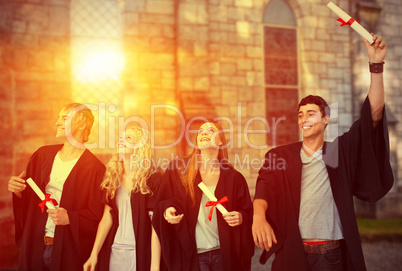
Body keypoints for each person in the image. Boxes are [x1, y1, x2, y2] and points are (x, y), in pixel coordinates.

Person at [252, 34, 394, 271]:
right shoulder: (281, 156)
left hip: (330, 256)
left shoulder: (339, 151)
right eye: (300, 114)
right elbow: (264, 186)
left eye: (311, 113)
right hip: (293, 255)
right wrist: (258, 216)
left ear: (326, 119)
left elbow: (374, 116)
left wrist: (376, 65)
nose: (304, 119)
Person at [8, 103, 106, 271]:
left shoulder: (95, 169)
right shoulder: (42, 156)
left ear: (82, 124)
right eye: (58, 118)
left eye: (64, 118)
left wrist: (71, 218)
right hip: (35, 246)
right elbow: (28, 202)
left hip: (67, 252)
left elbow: (97, 216)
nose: (57, 122)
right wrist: (18, 191)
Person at [152, 120, 254, 271]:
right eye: (200, 131)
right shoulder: (179, 169)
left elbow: (247, 212)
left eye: (210, 130)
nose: (204, 133)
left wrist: (241, 217)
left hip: (223, 254)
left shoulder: (234, 178)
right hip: (192, 255)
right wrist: (167, 210)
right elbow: (162, 202)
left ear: (220, 141)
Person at [83, 124, 164, 271]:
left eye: (128, 137)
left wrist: (154, 265)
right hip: (114, 250)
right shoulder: (112, 176)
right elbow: (107, 218)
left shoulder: (152, 179)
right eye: (121, 137)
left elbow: (155, 226)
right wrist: (94, 254)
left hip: (140, 253)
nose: (121, 140)